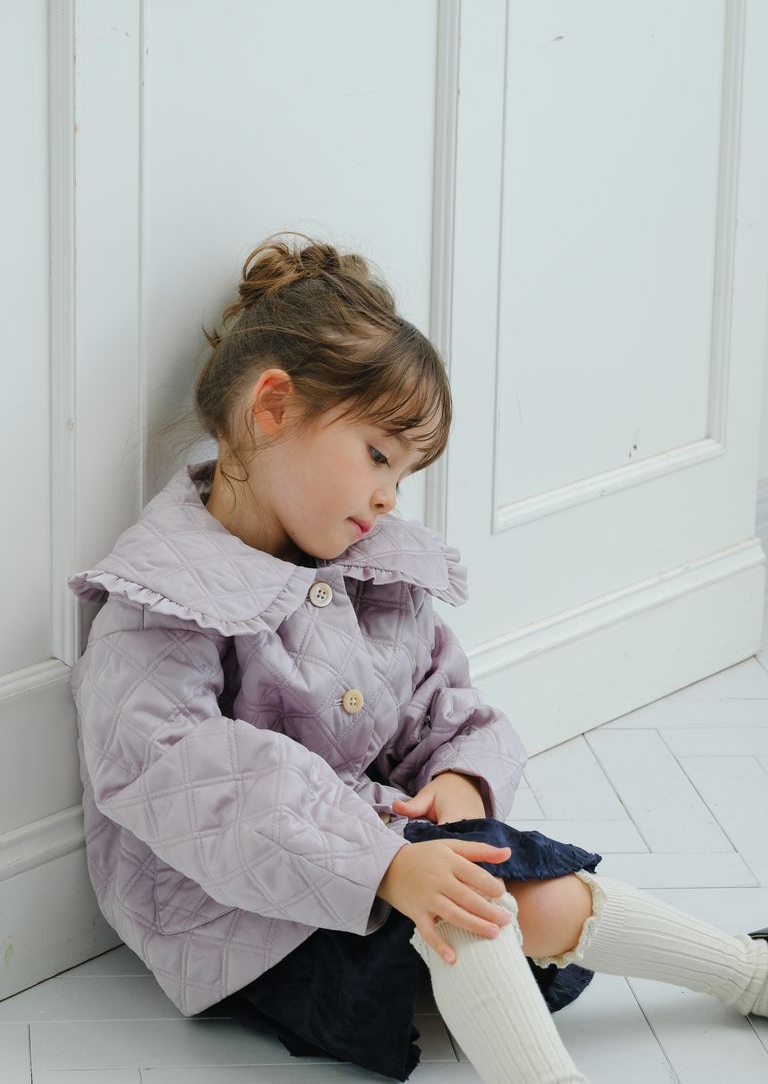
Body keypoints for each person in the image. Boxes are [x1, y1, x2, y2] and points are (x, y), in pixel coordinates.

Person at [67, 232, 768, 1084]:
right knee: (467, 906)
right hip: (238, 926)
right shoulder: (161, 598)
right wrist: (385, 863)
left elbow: (443, 702)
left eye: (402, 474)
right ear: (272, 407)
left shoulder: (370, 572)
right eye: (377, 456)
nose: (386, 497)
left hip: (379, 853)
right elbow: (198, 784)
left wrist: (462, 778)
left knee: (501, 884)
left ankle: (749, 970)